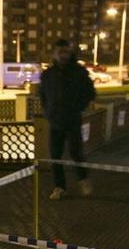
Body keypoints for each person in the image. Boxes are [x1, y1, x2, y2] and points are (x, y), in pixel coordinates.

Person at [39, 39, 97, 200]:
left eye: (66, 52)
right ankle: (59, 187)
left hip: (72, 119)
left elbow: (90, 93)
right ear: (55, 54)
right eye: (60, 52)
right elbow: (42, 95)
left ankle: (83, 179)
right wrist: (48, 111)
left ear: (70, 53)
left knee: (76, 152)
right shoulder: (48, 74)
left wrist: (77, 107)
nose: (63, 55)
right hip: (55, 120)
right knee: (55, 155)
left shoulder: (79, 72)